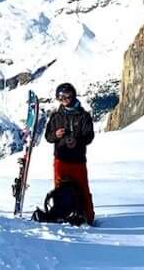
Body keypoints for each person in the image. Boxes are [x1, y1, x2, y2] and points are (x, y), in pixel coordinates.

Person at [33, 82, 97, 226]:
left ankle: (88, 216)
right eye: (60, 97)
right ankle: (60, 213)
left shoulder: (83, 116)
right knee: (59, 189)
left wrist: (77, 141)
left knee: (82, 188)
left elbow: (89, 136)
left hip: (77, 159)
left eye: (67, 96)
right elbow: (48, 137)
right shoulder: (56, 116)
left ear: (73, 95)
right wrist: (56, 134)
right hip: (60, 159)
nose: (64, 100)